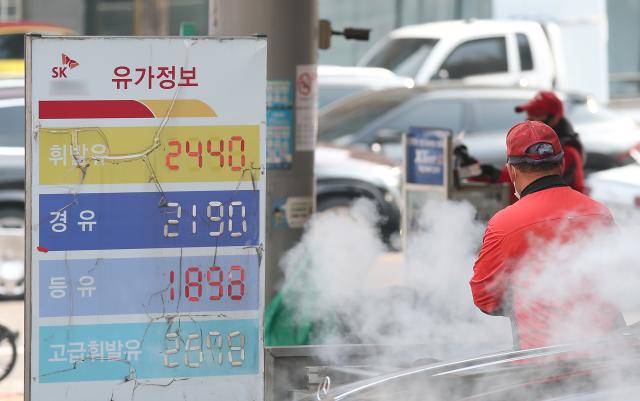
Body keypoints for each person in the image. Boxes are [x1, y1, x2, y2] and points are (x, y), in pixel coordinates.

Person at [470, 121, 625, 350]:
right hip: (607, 356)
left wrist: (531, 300)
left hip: (541, 361)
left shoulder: (503, 225)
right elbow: (622, 277)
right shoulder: (598, 213)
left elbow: (486, 299)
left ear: (511, 170)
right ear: (561, 163)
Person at [515, 90, 586, 193]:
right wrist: (495, 174)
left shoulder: (566, 152)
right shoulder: (534, 144)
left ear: (554, 119)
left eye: (536, 115)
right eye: (529, 114)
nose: (529, 120)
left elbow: (530, 180)